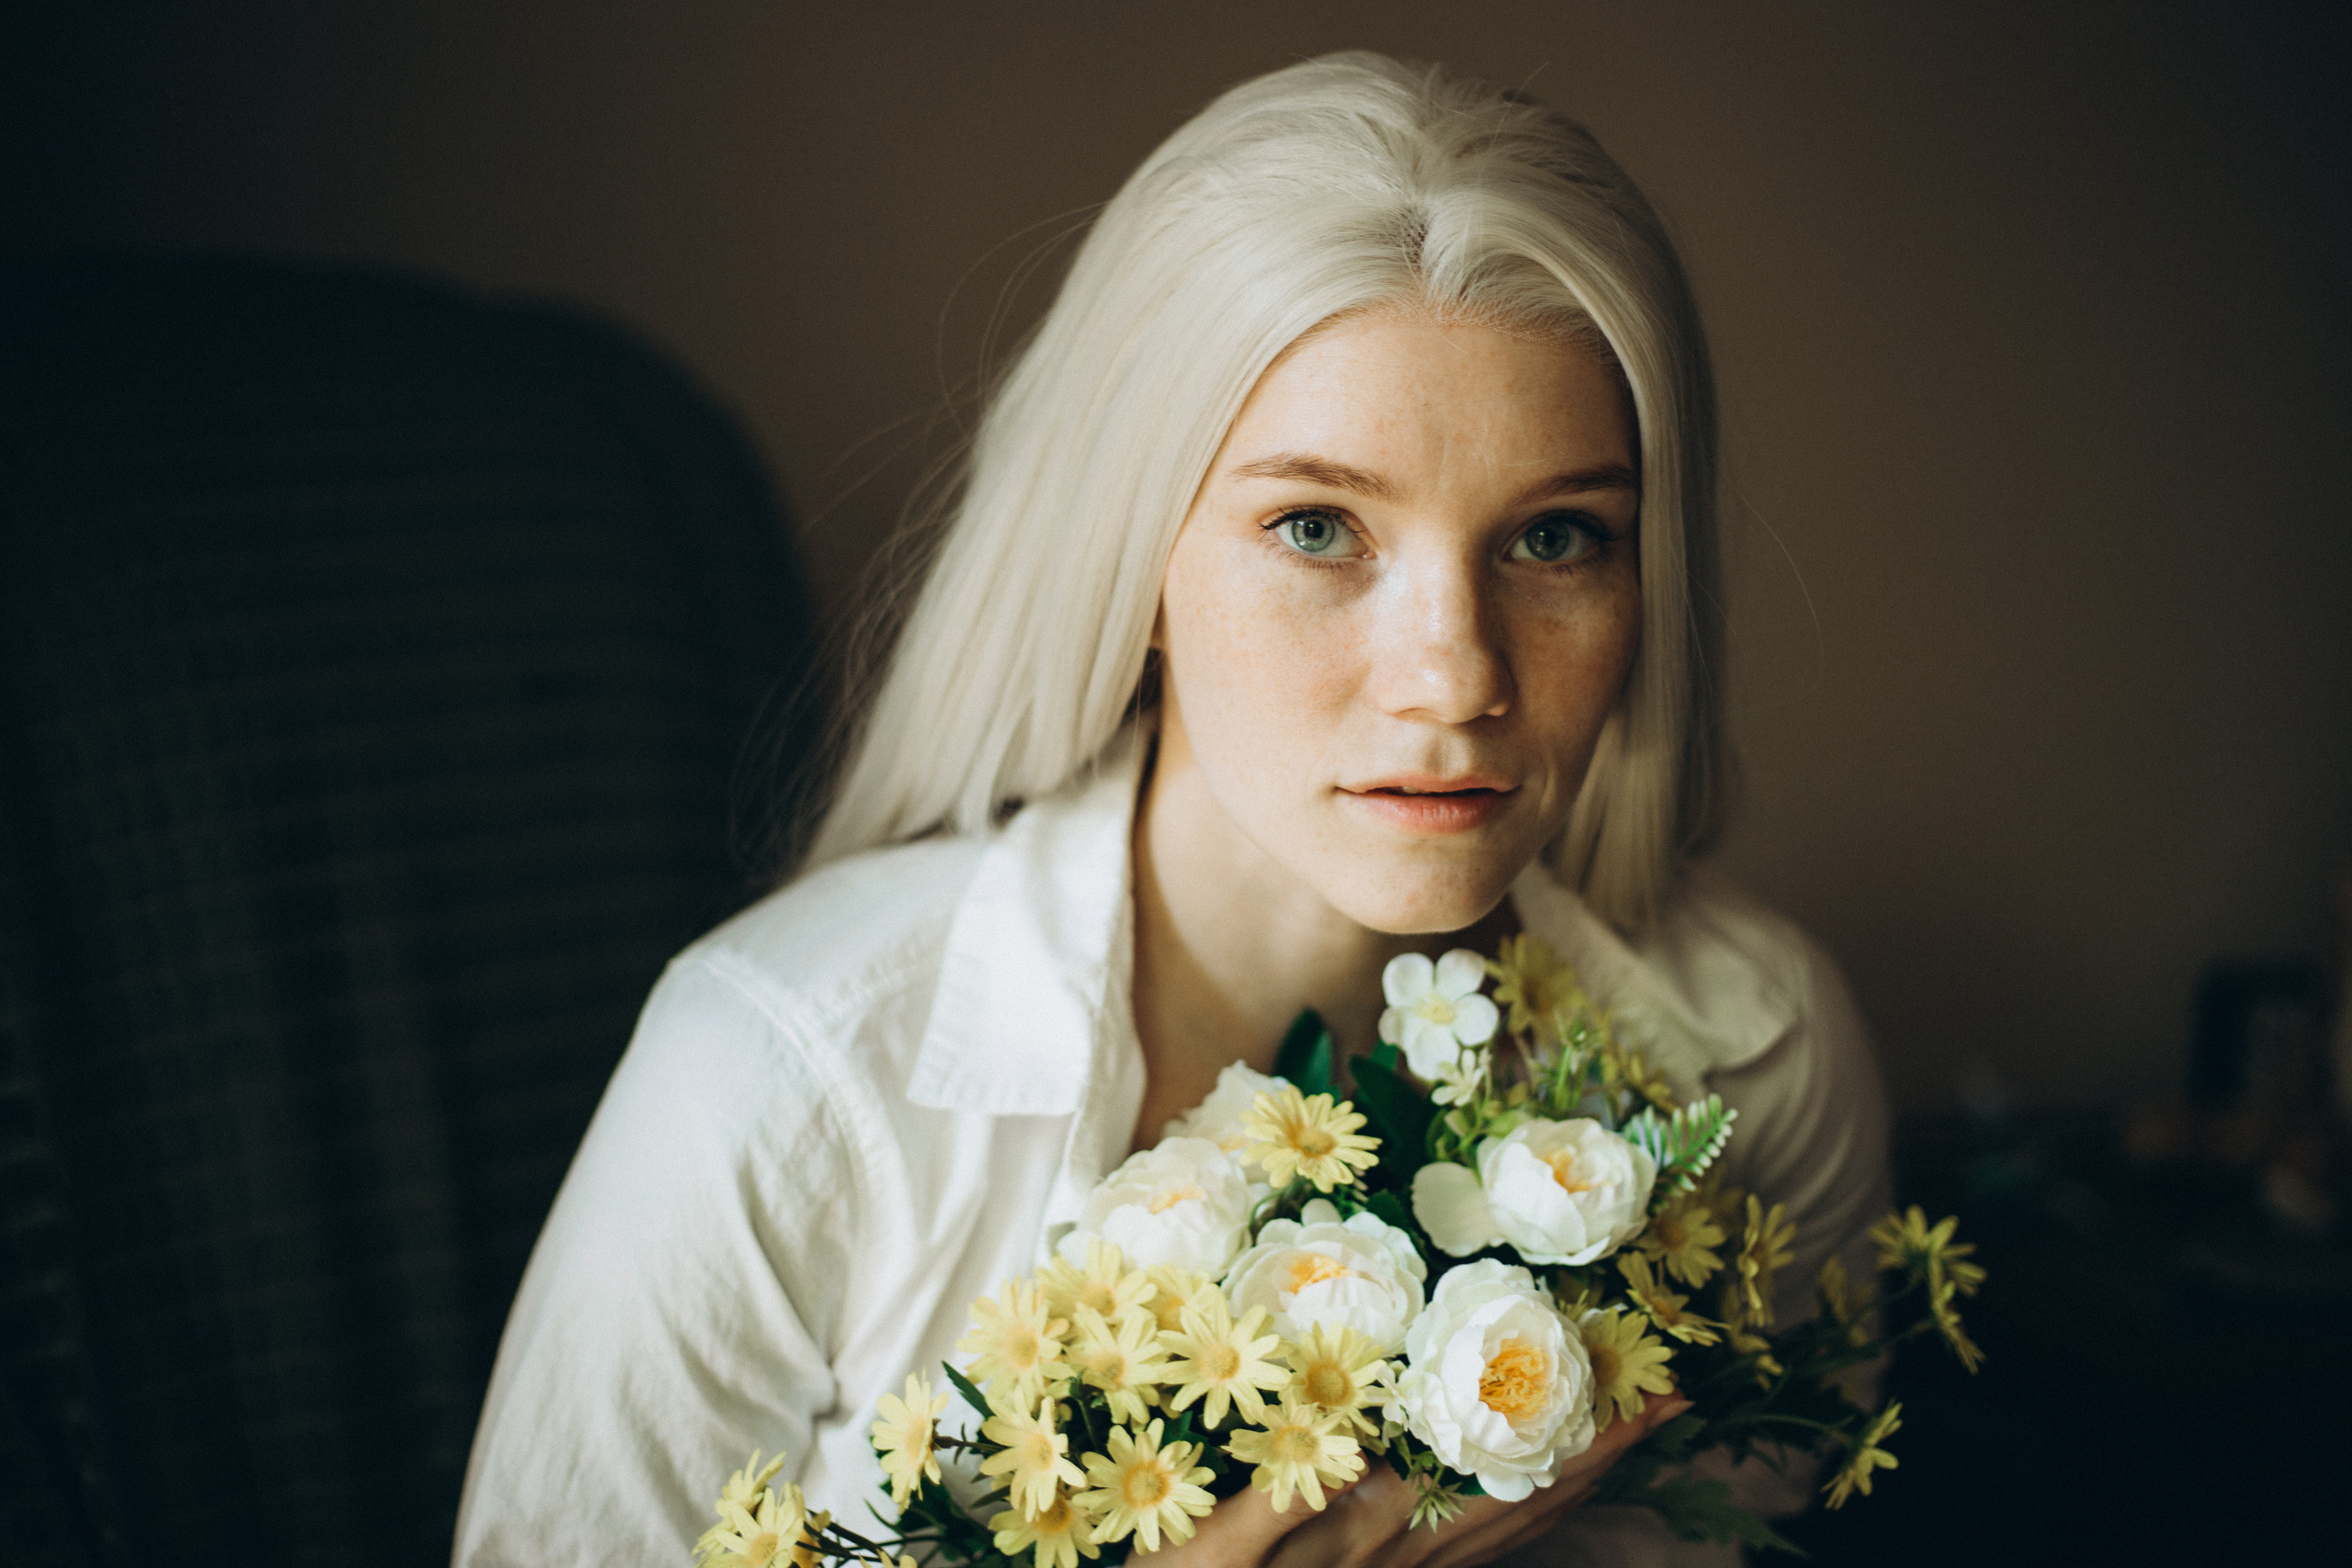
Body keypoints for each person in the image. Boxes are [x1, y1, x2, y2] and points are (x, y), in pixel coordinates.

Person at [454, 51, 1890, 1568]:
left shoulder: (1760, 1059)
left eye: (1556, 538)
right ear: (1131, 560)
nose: (1455, 677)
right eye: (1318, 527)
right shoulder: (785, 1078)